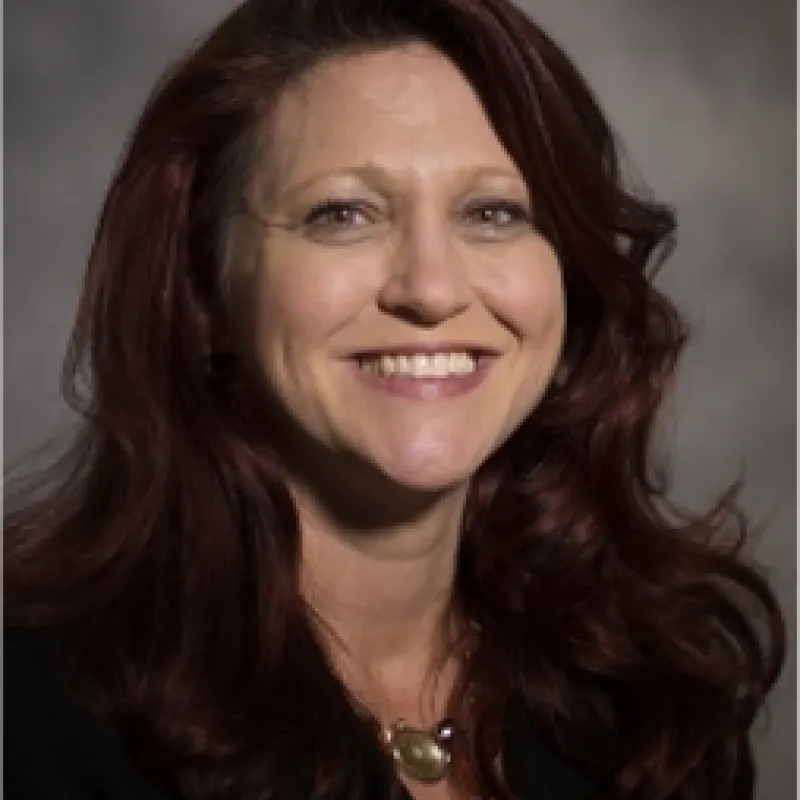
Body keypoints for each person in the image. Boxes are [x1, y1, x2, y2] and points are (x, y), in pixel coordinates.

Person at [0, 0, 785, 799]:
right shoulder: (28, 719)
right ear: (206, 292)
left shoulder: (652, 698)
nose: (432, 290)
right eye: (344, 214)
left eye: (493, 212)